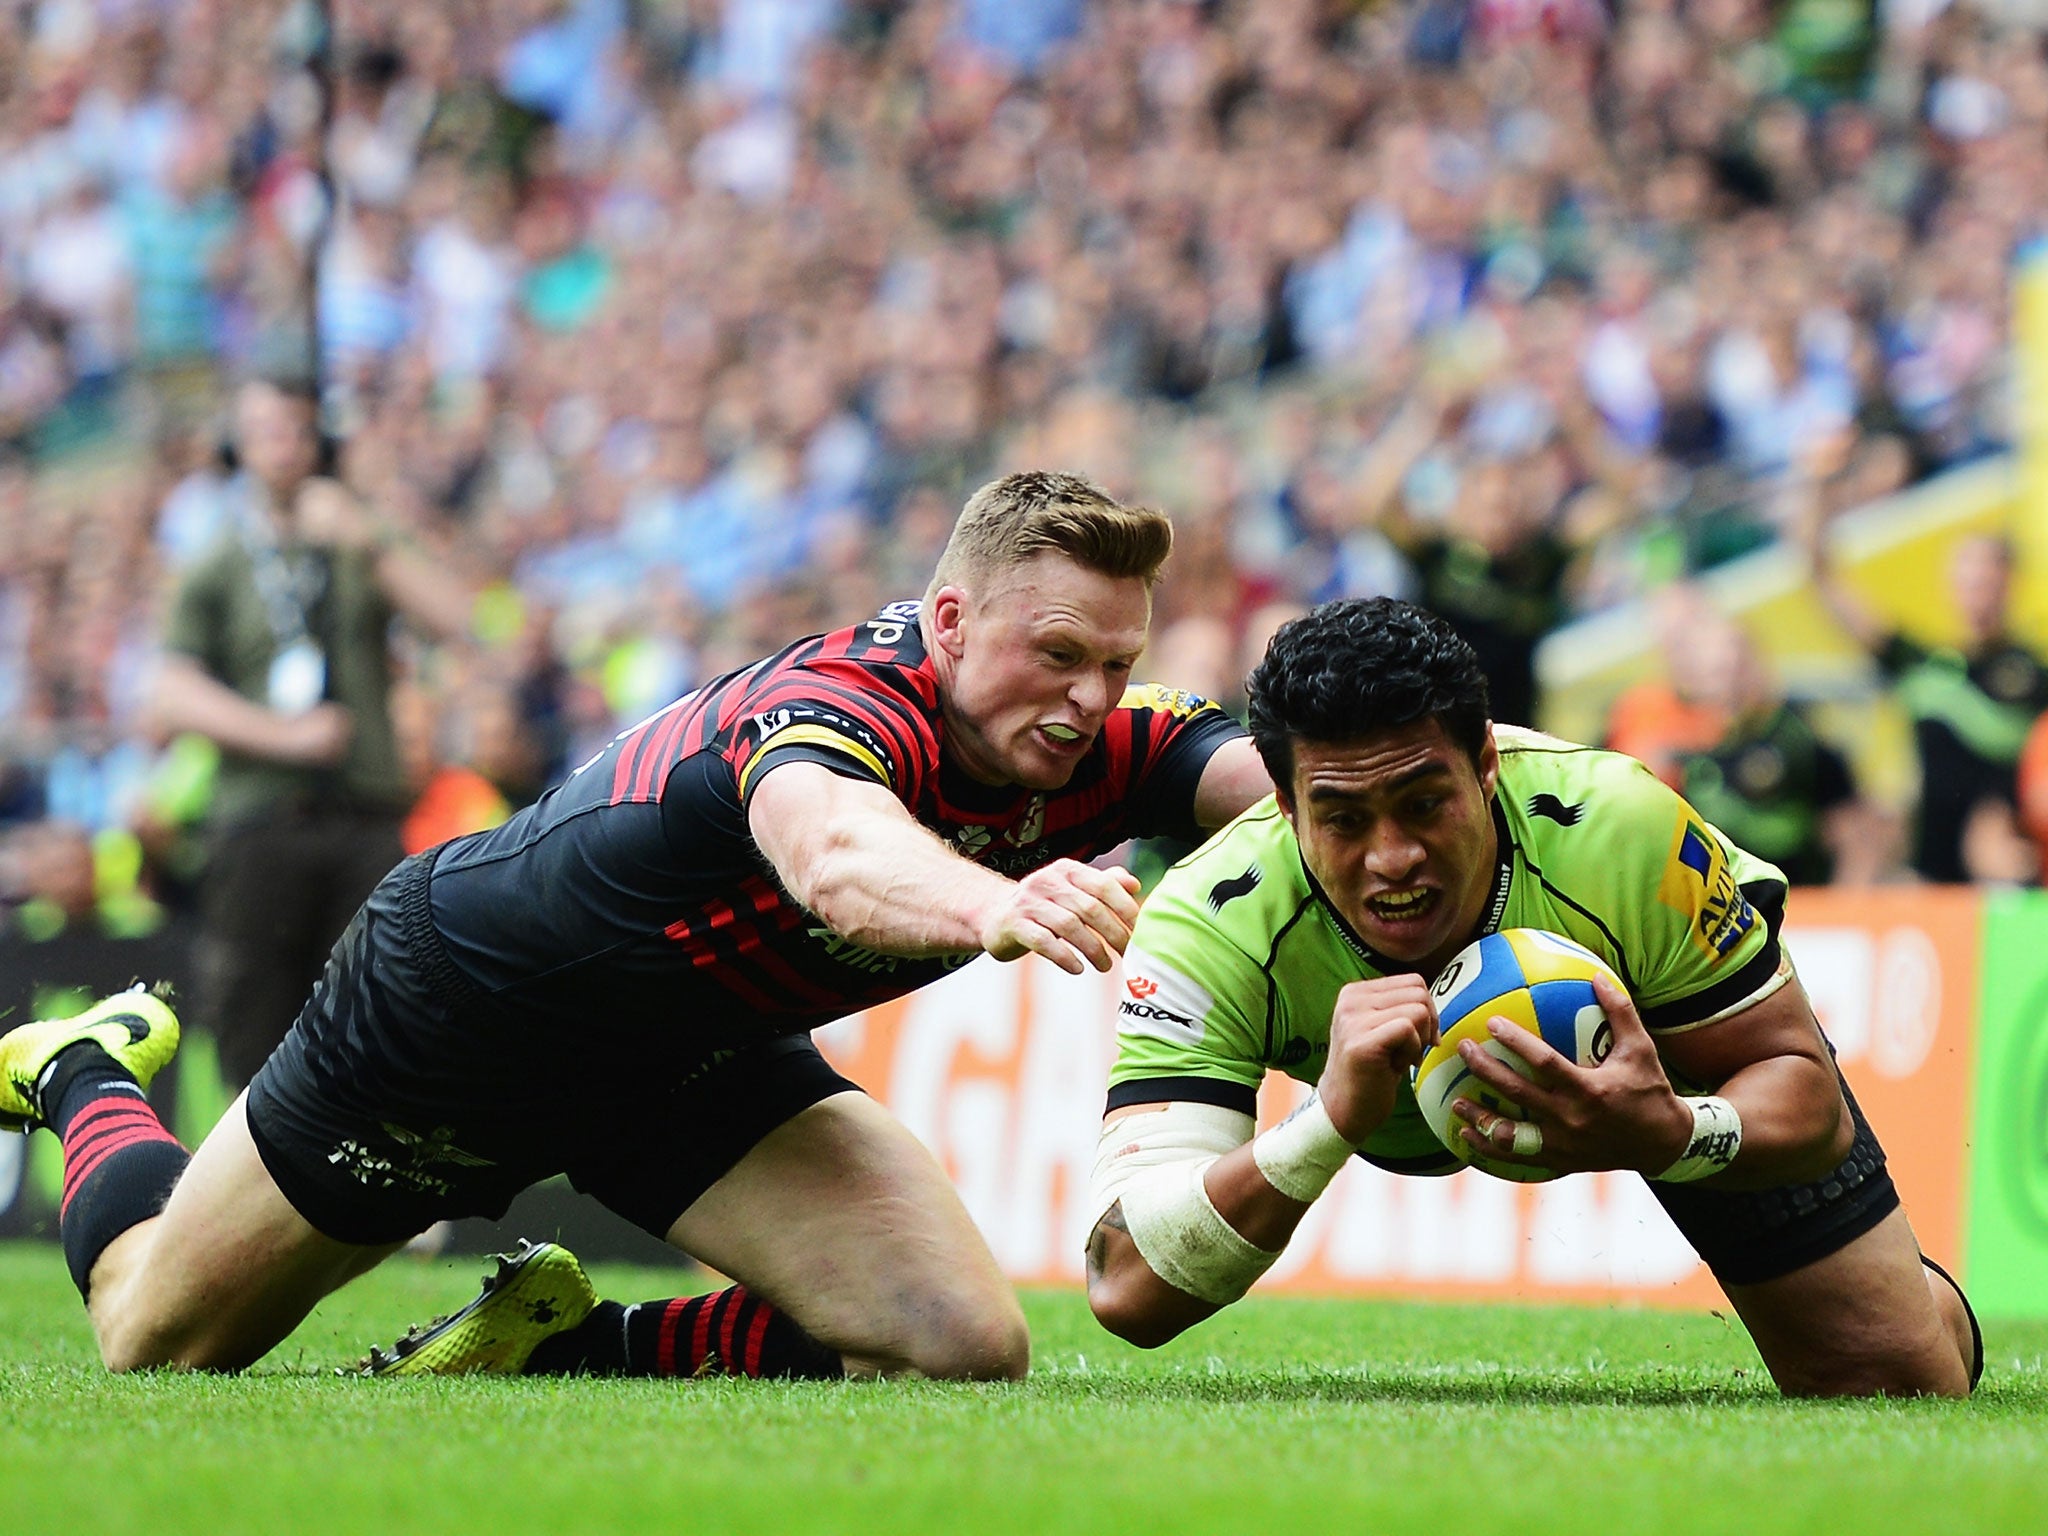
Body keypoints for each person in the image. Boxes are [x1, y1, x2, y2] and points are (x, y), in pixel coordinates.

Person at [0, 470, 1273, 1381]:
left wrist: (1456, 808)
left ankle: (564, 1344)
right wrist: (1002, 902)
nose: (1086, 698)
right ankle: (82, 1069)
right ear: (949, 624)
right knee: (156, 1337)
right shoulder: (835, 701)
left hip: (687, 1055)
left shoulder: (1109, 740)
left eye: (1115, 662)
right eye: (1057, 654)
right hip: (462, 1010)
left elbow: (1303, 797)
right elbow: (833, 854)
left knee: (958, 1342)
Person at [1082, 597, 1980, 1398]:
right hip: (1360, 1108)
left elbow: (1805, 1099)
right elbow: (1127, 1287)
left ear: (1485, 765)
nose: (1392, 858)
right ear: (1282, 803)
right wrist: (1325, 1124)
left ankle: (1913, 1291)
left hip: (1661, 1058)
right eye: (1345, 820)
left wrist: (1670, 1130)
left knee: (1894, 1375)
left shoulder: (1620, 829)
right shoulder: (1212, 923)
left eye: (1424, 803)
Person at [151, 375, 474, 1087]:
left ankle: (394, 1194)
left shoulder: (358, 537)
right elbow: (171, 689)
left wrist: (371, 539)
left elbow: (459, 619)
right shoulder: (216, 557)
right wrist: (282, 736)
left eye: (296, 429)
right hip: (259, 822)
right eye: (265, 429)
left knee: (386, 1013)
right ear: (239, 443)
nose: (283, 446)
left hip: (363, 814)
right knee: (257, 1026)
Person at [1810, 529, 2048, 883]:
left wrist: (2006, 815)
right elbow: (1833, 592)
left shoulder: (2031, 674)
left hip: (2007, 864)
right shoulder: (1924, 667)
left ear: (2009, 584)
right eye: (1968, 582)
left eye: (1987, 580)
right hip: (1933, 871)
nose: (1977, 594)